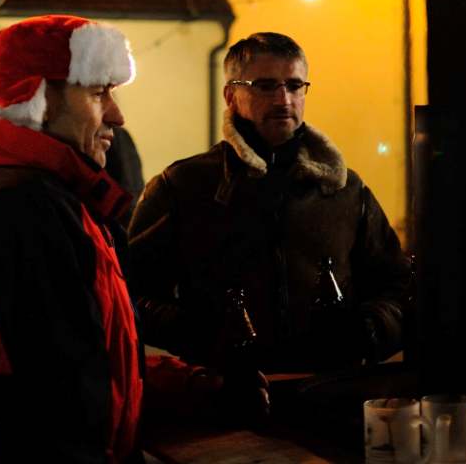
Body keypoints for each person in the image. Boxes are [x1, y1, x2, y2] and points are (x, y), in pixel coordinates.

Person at [0, 15, 144, 463]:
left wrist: (199, 387)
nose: (117, 115)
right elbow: (36, 409)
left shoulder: (56, 198)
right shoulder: (19, 208)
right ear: (37, 99)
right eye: (98, 93)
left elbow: (99, 365)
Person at [129, 32, 410, 375]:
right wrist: (200, 335)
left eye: (294, 85)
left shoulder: (344, 190)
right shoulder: (184, 185)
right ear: (231, 95)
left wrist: (368, 330)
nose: (283, 99)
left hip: (330, 388)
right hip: (226, 394)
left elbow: (398, 285)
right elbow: (131, 292)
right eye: (265, 86)